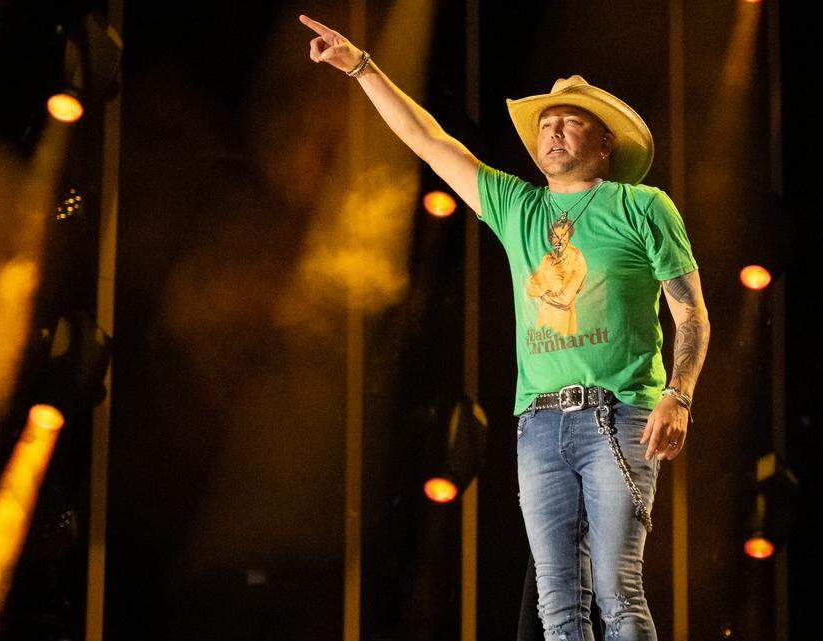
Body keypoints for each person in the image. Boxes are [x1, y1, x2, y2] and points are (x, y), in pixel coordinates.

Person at [300, 15, 710, 640]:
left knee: (617, 591)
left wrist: (678, 395)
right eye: (546, 123)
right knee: (556, 604)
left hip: (621, 414)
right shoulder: (520, 207)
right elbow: (430, 141)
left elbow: (691, 313)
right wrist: (362, 67)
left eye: (570, 121)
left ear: (605, 142)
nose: (554, 130)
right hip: (538, 424)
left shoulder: (641, 206)